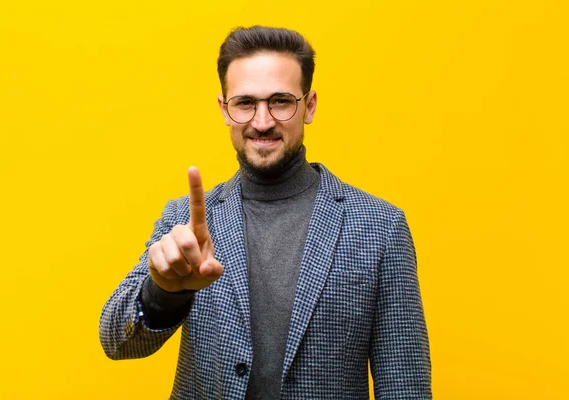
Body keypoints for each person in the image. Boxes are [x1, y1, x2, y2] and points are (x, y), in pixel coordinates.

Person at [99, 26, 431, 399]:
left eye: (280, 101)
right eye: (245, 103)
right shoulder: (186, 221)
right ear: (225, 110)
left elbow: (405, 383)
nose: (261, 121)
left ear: (310, 105)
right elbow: (117, 341)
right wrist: (163, 293)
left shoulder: (380, 227)